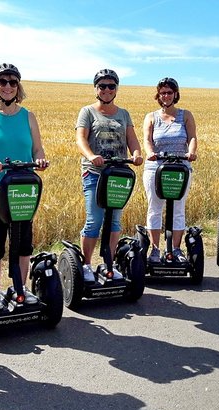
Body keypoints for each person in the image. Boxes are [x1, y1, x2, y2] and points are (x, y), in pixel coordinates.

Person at [0, 63, 49, 310]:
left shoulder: (28, 116)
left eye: (12, 82)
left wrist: (40, 160)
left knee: (23, 241)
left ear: (18, 86)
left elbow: (37, 147)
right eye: (2, 82)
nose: (7, 86)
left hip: (22, 187)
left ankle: (20, 287)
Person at [76, 68, 143, 282]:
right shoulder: (87, 111)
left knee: (114, 221)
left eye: (111, 86)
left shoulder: (123, 113)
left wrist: (137, 154)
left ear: (116, 89)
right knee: (94, 220)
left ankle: (108, 264)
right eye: (102, 86)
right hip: (95, 173)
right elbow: (81, 139)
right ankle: (86, 265)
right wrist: (91, 155)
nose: (106, 90)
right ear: (96, 88)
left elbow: (132, 139)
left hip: (118, 174)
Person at [142, 77, 198, 263]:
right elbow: (147, 140)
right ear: (158, 95)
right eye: (163, 92)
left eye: (169, 92)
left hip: (180, 167)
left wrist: (191, 152)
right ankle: (156, 250)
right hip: (156, 168)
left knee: (178, 208)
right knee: (155, 208)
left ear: (175, 94)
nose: (166, 96)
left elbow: (192, 137)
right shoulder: (151, 117)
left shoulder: (186, 115)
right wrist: (150, 153)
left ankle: (176, 249)